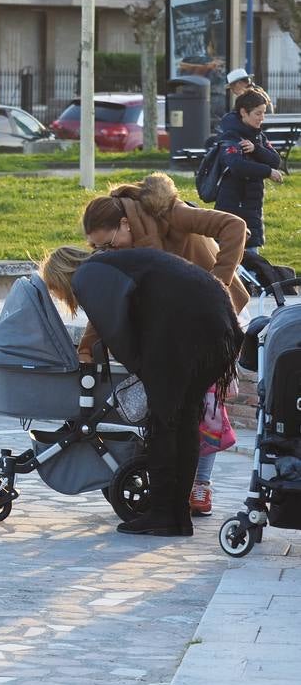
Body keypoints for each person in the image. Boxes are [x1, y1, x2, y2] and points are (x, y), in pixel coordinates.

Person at [40, 246, 241, 537]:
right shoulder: (114, 264)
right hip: (221, 324)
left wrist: (145, 374)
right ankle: (178, 517)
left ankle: (163, 515)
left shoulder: (86, 277)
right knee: (184, 420)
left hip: (189, 330)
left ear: (61, 278)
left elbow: (117, 333)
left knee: (162, 423)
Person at [80, 172, 249, 517]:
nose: (105, 253)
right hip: (178, 326)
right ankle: (173, 501)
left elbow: (234, 226)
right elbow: (109, 299)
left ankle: (200, 485)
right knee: (181, 413)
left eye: (108, 245)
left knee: (206, 406)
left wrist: (216, 284)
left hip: (213, 319)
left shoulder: (168, 213)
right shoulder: (124, 249)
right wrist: (86, 348)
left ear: (125, 224)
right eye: (96, 249)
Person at [213, 87, 284, 250]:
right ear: (244, 112)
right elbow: (237, 165)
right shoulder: (230, 136)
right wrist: (268, 172)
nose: (262, 118)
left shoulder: (258, 135)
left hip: (252, 207)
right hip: (233, 206)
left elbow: (275, 160)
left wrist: (256, 149)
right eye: (258, 113)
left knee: (253, 262)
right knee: (234, 262)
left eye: (263, 113)